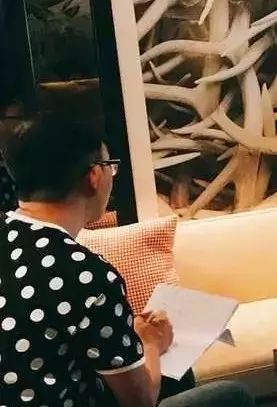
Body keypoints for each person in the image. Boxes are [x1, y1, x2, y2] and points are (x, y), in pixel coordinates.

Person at [0, 113, 255, 406]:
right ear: (94, 177)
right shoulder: (85, 274)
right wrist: (151, 342)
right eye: (110, 166)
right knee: (233, 396)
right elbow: (140, 401)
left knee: (177, 378)